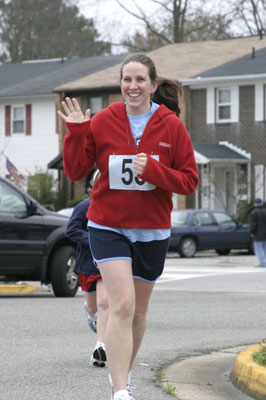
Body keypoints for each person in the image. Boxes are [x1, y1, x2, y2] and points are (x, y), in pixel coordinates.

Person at [58, 53, 199, 400]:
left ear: (152, 85)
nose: (132, 86)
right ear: (120, 85)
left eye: (139, 80)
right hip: (108, 226)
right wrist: (76, 132)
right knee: (122, 305)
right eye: (126, 80)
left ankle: (123, 375)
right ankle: (120, 391)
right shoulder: (104, 121)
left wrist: (153, 171)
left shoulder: (171, 126)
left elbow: (189, 181)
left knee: (137, 313)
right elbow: (75, 172)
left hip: (152, 231)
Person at [65, 180, 109, 367]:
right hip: (88, 263)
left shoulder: (116, 208)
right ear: (93, 186)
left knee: (104, 301)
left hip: (108, 262)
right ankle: (90, 314)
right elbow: (71, 230)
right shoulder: (84, 207)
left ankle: (101, 346)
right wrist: (93, 239)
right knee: (93, 306)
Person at [249, 198, 266, 267]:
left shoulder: (253, 212)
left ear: (255, 204)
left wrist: (252, 232)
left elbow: (253, 224)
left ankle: (262, 263)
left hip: (258, 233)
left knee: (258, 249)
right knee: (264, 248)